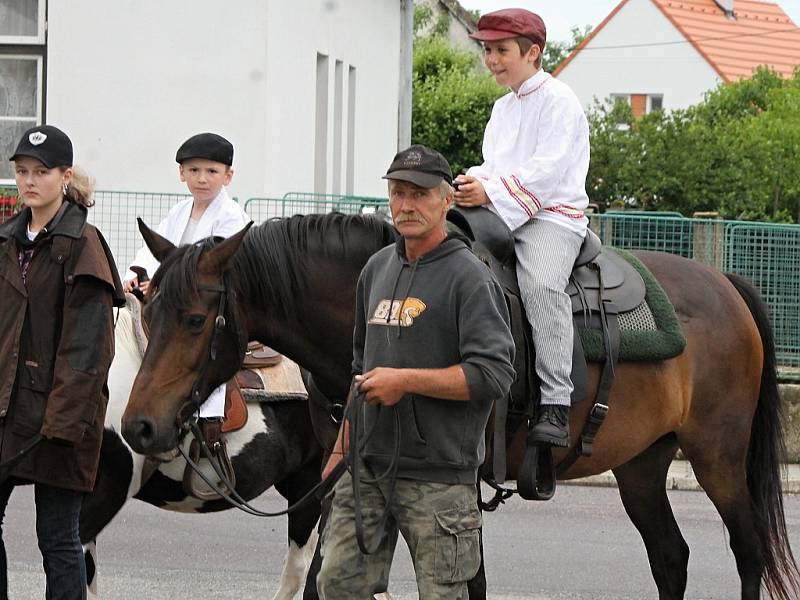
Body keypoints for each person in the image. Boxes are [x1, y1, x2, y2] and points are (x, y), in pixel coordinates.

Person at [316, 145, 516, 599]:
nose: (407, 205)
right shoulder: (376, 269)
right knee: (337, 587)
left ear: (447, 200)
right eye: (398, 192)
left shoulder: (470, 278)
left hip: (439, 477)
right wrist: (337, 455)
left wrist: (404, 381)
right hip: (366, 469)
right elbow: (360, 371)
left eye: (420, 194)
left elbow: (494, 375)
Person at [454, 8, 591, 447]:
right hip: (504, 211)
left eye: (501, 50)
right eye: (487, 50)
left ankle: (555, 402)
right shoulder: (502, 107)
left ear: (533, 52)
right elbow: (495, 165)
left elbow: (545, 173)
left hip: (552, 217)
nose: (491, 59)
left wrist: (489, 192)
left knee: (540, 286)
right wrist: (470, 182)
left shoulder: (560, 101)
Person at [0, 125, 125, 599]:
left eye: (42, 172)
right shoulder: (7, 240)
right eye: (22, 172)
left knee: (57, 539)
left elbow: (88, 349)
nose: (30, 181)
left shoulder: (84, 246)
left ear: (64, 175)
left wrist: (63, 425)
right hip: (6, 411)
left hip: (61, 421)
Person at [123, 132, 249, 422]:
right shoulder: (179, 212)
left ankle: (209, 415)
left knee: (202, 343)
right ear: (182, 174)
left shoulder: (231, 216)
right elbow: (156, 249)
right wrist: (136, 274)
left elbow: (219, 266)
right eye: (194, 170)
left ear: (228, 176)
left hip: (212, 302)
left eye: (211, 171)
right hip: (179, 299)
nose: (202, 179)